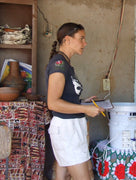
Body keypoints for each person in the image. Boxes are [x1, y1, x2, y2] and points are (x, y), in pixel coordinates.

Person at [45, 22, 104, 180]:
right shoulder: (59, 64)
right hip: (66, 130)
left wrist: (82, 102)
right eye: (81, 38)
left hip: (71, 128)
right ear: (67, 40)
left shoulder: (66, 65)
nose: (85, 43)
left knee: (62, 175)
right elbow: (53, 103)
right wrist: (85, 109)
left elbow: (64, 97)